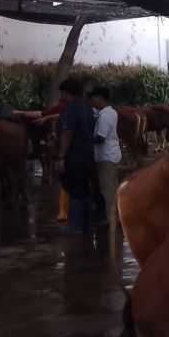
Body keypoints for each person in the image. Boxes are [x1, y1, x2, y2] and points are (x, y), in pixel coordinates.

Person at [55, 77, 97, 236]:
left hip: (74, 156)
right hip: (87, 154)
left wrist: (60, 157)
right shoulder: (87, 109)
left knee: (75, 190)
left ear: (66, 93)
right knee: (85, 189)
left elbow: (67, 133)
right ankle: (88, 223)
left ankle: (75, 225)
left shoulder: (71, 110)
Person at [88, 86, 121, 225]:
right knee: (111, 187)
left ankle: (112, 218)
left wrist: (86, 138)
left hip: (106, 155)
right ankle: (115, 217)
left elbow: (101, 138)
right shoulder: (108, 113)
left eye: (93, 98)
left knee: (108, 189)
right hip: (110, 154)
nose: (92, 101)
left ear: (99, 98)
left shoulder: (106, 115)